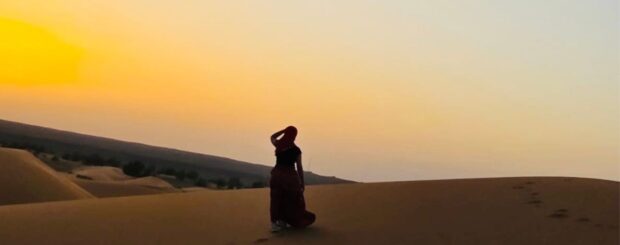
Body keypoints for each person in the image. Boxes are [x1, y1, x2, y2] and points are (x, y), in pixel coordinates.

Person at [269, 126, 316, 232]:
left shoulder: (279, 145)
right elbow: (299, 167)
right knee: (291, 199)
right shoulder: (296, 150)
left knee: (276, 199)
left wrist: (283, 130)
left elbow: (272, 136)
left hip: (276, 175)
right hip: (290, 177)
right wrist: (302, 182)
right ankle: (288, 220)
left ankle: (275, 222)